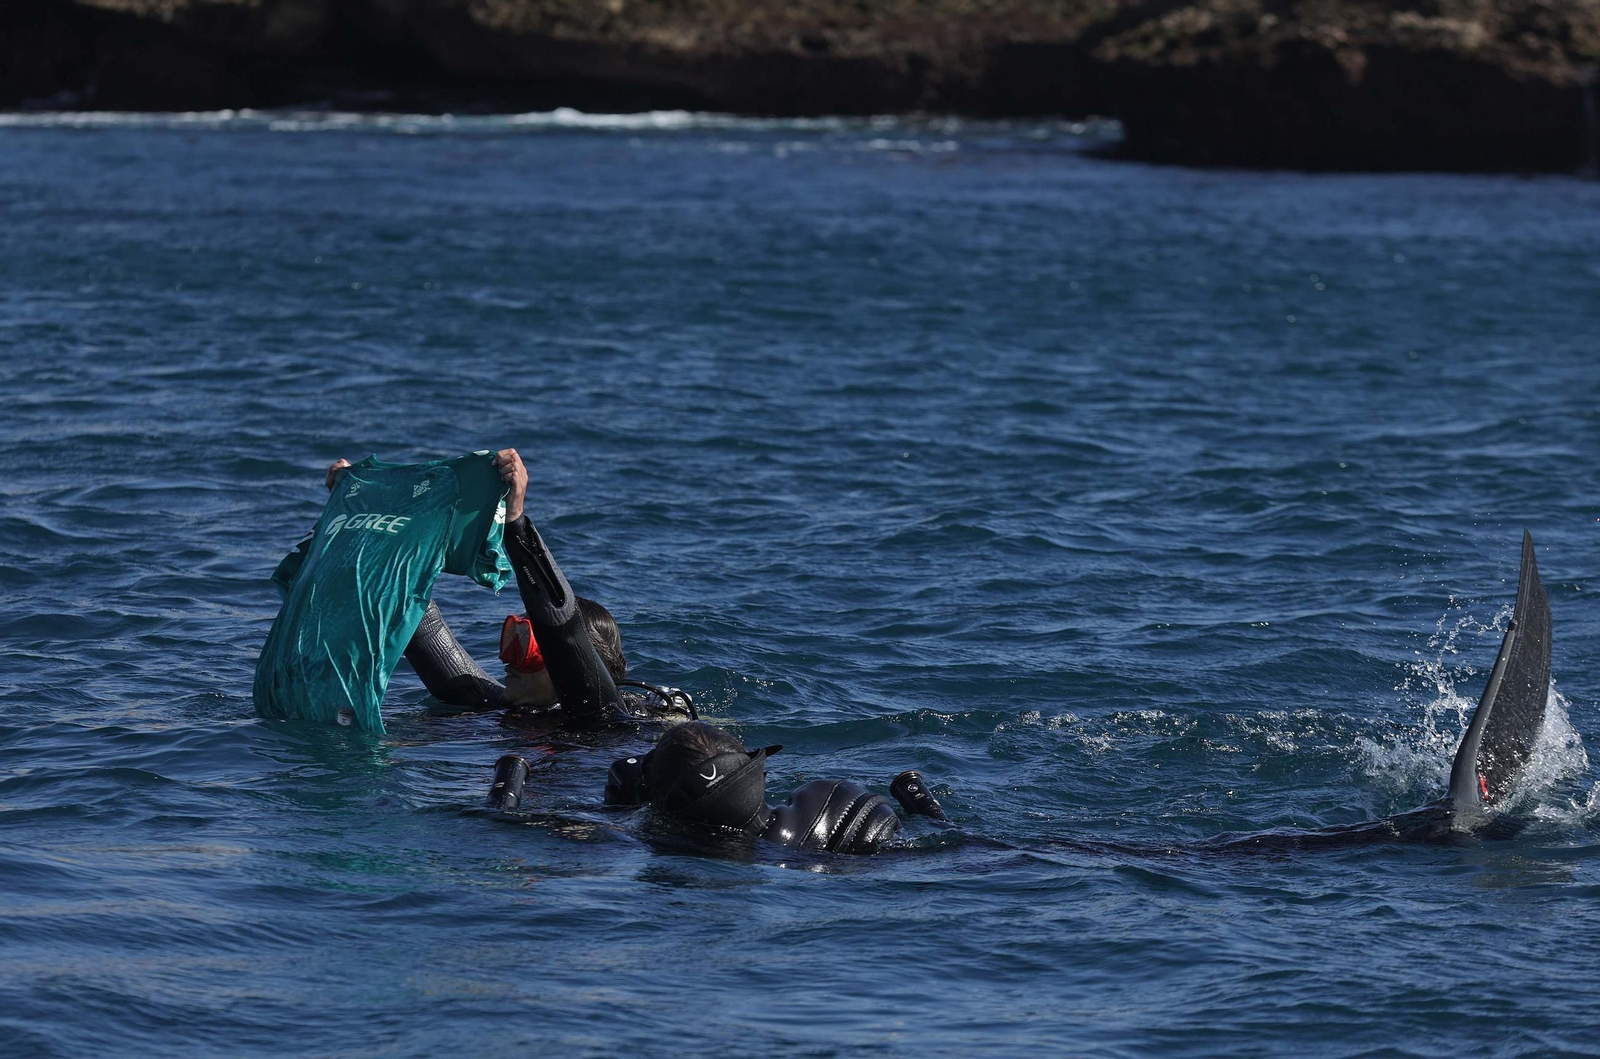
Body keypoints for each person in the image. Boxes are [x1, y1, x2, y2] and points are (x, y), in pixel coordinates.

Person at [325, 450, 688, 727]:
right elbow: (411, 611)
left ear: (570, 664)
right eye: (511, 638)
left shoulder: (604, 716)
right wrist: (359, 518)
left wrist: (514, 522)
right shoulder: (494, 705)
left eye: (525, 646)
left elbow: (560, 626)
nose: (506, 660)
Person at [486, 720, 947, 854]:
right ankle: (927, 807)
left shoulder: (661, 839)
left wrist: (510, 777)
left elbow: (502, 825)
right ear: (758, 773)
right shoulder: (831, 796)